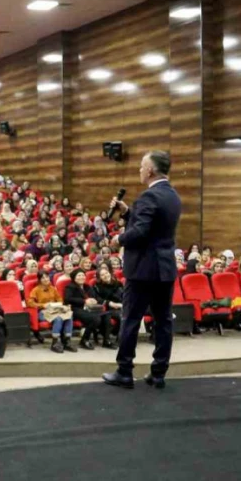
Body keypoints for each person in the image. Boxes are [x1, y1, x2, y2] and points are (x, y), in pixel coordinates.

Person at [104, 150, 182, 390]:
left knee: (131, 319)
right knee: (163, 321)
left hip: (142, 270)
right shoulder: (173, 196)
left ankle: (124, 371)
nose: (139, 170)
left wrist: (118, 239)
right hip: (165, 268)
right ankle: (158, 373)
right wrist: (128, 213)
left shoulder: (149, 197)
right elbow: (153, 226)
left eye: (141, 166)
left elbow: (141, 233)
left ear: (150, 171)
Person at [27, 271, 72, 351]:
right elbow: (30, 303)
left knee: (69, 316)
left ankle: (67, 341)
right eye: (43, 278)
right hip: (43, 311)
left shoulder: (53, 288)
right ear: (39, 280)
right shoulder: (36, 290)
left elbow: (59, 299)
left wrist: (60, 305)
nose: (45, 279)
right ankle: (55, 343)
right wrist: (43, 305)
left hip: (54, 309)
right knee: (58, 318)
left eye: (47, 277)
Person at [63, 269, 104, 350]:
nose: (81, 277)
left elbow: (96, 297)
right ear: (74, 277)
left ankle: (106, 340)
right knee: (95, 319)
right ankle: (85, 340)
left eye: (83, 275)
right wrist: (84, 301)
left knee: (106, 316)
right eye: (79, 275)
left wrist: (95, 300)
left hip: (90, 309)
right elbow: (68, 299)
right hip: (75, 309)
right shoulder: (70, 287)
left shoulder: (87, 286)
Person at [93, 267, 124, 348]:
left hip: (121, 306)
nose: (105, 275)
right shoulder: (97, 286)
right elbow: (97, 299)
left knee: (127, 315)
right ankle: (119, 340)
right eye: (102, 275)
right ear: (99, 278)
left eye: (106, 273)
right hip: (107, 308)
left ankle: (120, 339)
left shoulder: (118, 283)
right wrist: (109, 303)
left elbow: (125, 296)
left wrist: (123, 304)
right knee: (122, 316)